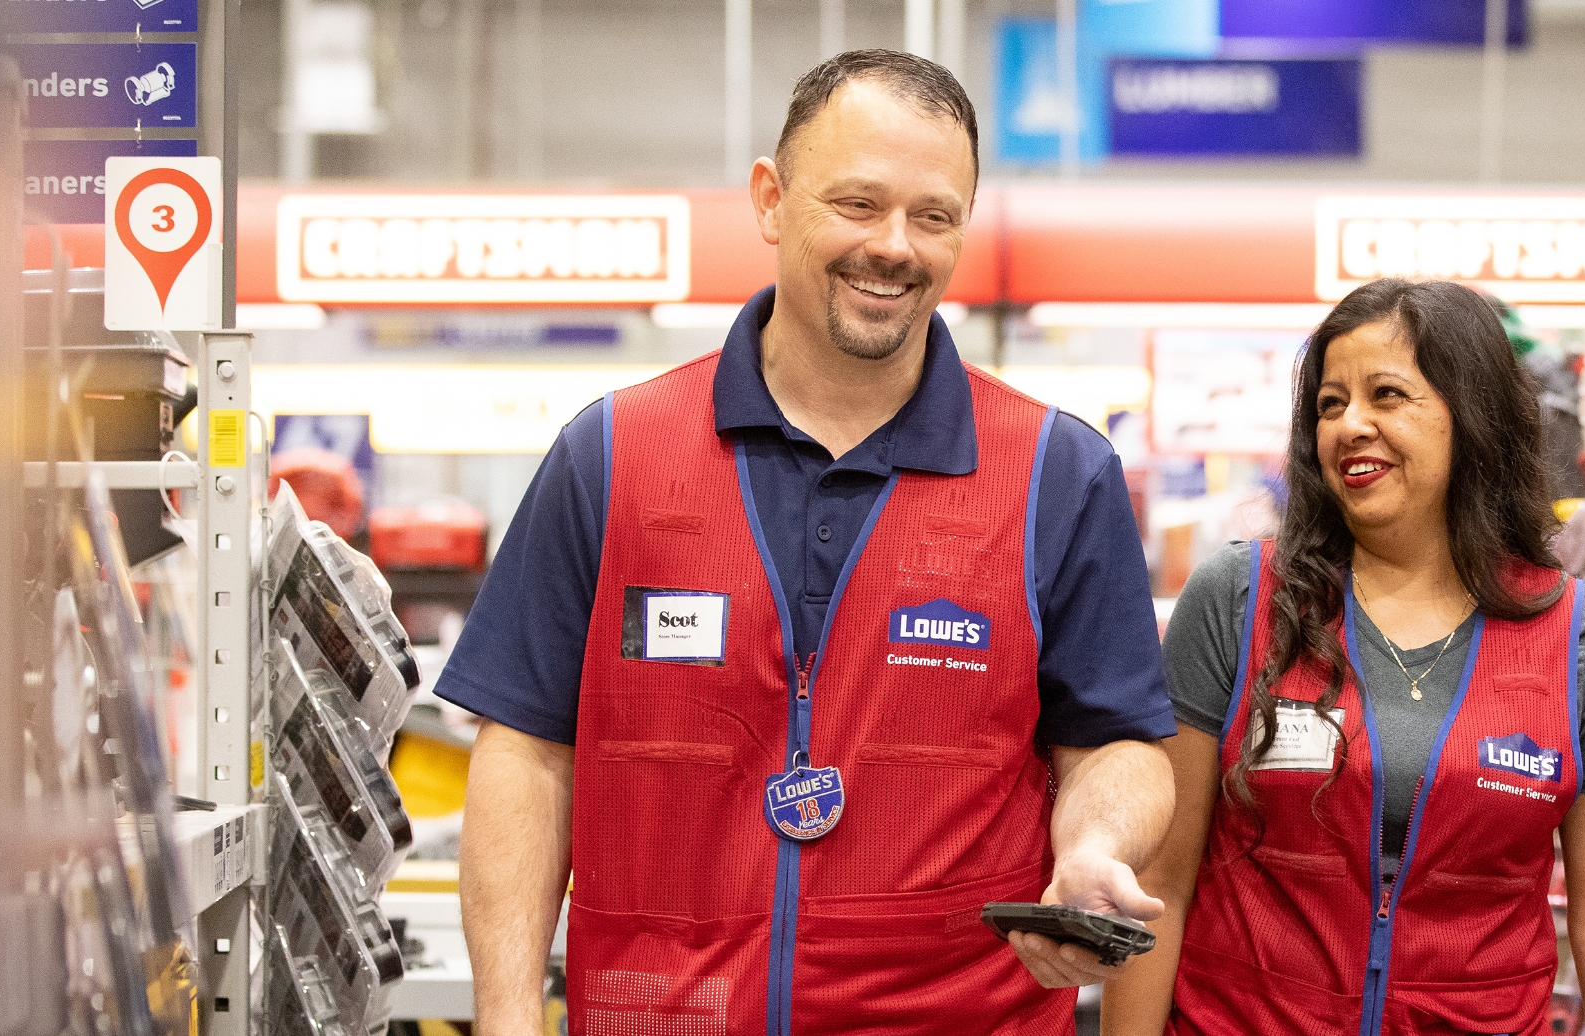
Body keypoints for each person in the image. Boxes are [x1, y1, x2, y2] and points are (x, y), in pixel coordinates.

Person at [439, 50, 1176, 1036]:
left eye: (933, 215)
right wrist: (504, 1018)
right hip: (660, 1016)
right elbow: (526, 754)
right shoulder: (611, 454)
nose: (895, 246)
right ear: (770, 199)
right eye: (858, 204)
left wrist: (1090, 846)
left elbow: (1117, 743)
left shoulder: (1055, 473)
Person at [1099, 279, 1585, 1036]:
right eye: (1330, 405)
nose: (1349, 426)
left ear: (1474, 415)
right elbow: (1159, 881)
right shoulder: (1240, 601)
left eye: (1386, 395)